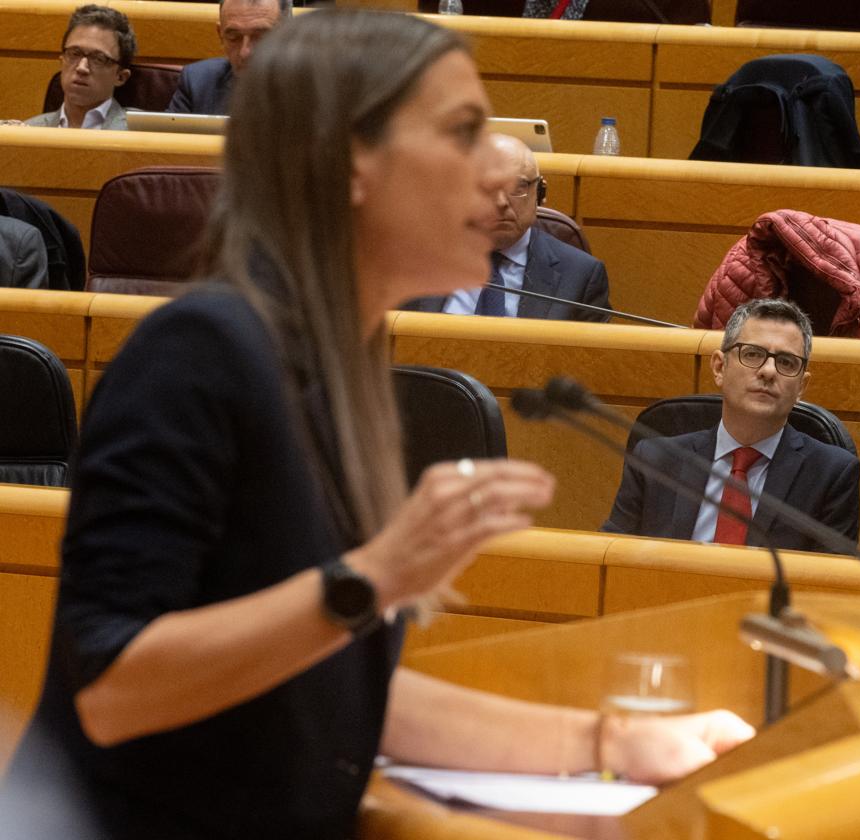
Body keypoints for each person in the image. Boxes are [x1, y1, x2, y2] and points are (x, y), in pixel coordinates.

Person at [0, 11, 753, 839]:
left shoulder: (343, 367)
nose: (494, 178)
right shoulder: (200, 353)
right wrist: (372, 577)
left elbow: (343, 690)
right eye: (461, 133)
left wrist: (615, 742)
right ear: (355, 160)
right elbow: (113, 691)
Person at [602, 298, 860, 551]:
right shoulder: (654, 460)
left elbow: (827, 585)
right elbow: (610, 557)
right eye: (752, 354)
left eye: (786, 362)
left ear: (801, 387)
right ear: (719, 367)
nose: (768, 371)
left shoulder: (830, 474)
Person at [402, 133, 612, 321]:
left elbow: (589, 360)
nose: (501, 202)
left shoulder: (580, 276)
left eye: (517, 187)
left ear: (540, 193)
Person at [165, 0, 289, 115]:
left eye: (260, 37)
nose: (244, 53)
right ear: (220, 35)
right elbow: (166, 136)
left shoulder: (307, 88)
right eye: (234, 38)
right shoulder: (197, 82)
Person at [24, 5, 135, 130]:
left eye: (99, 59)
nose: (82, 68)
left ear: (120, 77)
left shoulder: (142, 134)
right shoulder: (27, 131)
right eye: (74, 53)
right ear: (62, 61)